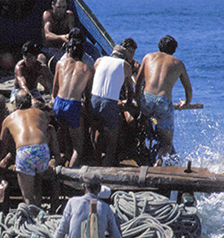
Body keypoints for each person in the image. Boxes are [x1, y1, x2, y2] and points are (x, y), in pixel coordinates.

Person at [0, 90, 62, 207]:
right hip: (42, 149)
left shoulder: (9, 119)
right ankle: (39, 212)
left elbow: (3, 145)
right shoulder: (40, 113)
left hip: (24, 152)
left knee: (27, 196)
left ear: (16, 104)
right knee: (37, 183)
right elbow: (46, 132)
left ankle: (32, 219)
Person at [136, 35, 193, 164]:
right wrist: (186, 102)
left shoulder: (148, 57)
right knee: (166, 142)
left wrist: (138, 99)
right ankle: (159, 162)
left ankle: (140, 149)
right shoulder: (178, 64)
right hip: (163, 102)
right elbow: (188, 89)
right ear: (174, 50)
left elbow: (138, 82)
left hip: (147, 99)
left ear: (159, 46)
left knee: (143, 125)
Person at [89, 38, 137, 166]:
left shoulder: (99, 61)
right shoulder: (126, 66)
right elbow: (129, 91)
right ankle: (108, 163)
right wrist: (128, 103)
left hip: (94, 100)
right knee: (112, 138)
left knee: (96, 128)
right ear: (124, 57)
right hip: (109, 104)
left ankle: (97, 159)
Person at [53, 174, 123, 238]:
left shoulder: (72, 202)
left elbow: (61, 231)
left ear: (84, 188)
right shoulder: (106, 208)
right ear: (99, 189)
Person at [51, 38, 94, 167]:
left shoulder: (60, 63)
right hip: (72, 105)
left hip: (58, 103)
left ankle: (58, 158)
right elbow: (87, 97)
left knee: (62, 129)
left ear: (69, 51)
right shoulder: (88, 69)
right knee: (78, 147)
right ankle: (70, 174)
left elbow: (54, 91)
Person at [38, 0, 75, 67]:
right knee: (41, 58)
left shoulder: (69, 16)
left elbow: (73, 32)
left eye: (63, 7)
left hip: (64, 51)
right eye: (59, 7)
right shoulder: (48, 15)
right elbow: (47, 34)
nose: (61, 10)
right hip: (48, 50)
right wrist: (61, 37)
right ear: (53, 5)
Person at [11, 41, 51, 106]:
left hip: (33, 90)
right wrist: (32, 99)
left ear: (35, 57)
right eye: (25, 56)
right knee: (19, 105)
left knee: (41, 105)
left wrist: (49, 92)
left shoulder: (40, 67)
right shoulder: (20, 67)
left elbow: (49, 81)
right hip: (20, 91)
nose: (26, 59)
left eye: (29, 56)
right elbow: (22, 84)